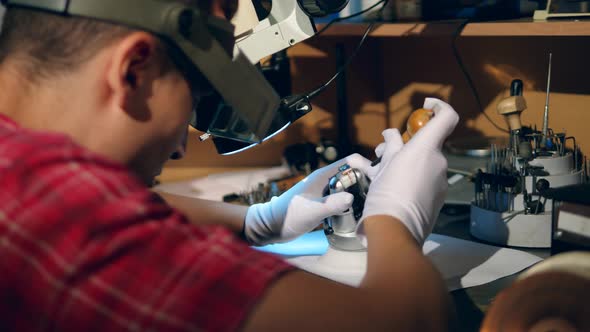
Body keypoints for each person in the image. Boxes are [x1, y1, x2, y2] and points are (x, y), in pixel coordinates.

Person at [0, 1, 459, 331]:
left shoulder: (21, 167)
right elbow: (406, 321)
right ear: (134, 71)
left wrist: (259, 221)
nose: (181, 148)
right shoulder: (71, 225)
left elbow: (121, 204)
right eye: (194, 103)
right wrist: (395, 218)